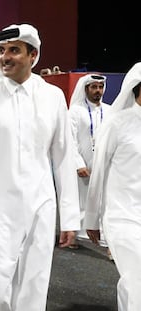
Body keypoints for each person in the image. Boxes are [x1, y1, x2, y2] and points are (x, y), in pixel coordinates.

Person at [0, 23, 80, 310]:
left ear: (33, 55)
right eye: (2, 50)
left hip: (41, 207)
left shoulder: (52, 97)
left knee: (34, 289)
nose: (5, 57)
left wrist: (70, 217)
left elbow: (64, 157)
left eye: (14, 50)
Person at [85, 62, 141, 311]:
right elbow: (99, 173)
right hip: (122, 216)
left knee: (133, 283)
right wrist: (92, 220)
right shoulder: (117, 123)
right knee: (137, 275)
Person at [68, 74, 112, 253]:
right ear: (85, 89)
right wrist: (78, 163)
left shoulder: (109, 111)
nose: (98, 91)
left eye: (100, 87)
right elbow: (70, 140)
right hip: (82, 163)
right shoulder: (75, 111)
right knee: (79, 199)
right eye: (94, 87)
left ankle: (104, 234)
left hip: (103, 164)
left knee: (103, 200)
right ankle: (75, 233)